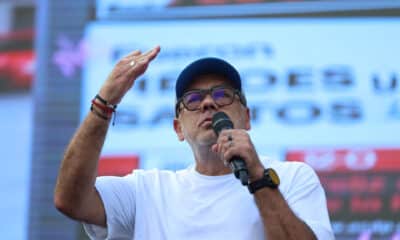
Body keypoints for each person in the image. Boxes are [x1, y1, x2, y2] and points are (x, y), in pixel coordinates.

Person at [54, 46, 334, 240]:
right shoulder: (146, 191)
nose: (209, 103)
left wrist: (258, 179)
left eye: (223, 95)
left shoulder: (291, 178)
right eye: (194, 100)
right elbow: (70, 200)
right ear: (178, 128)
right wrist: (104, 104)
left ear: (246, 118)